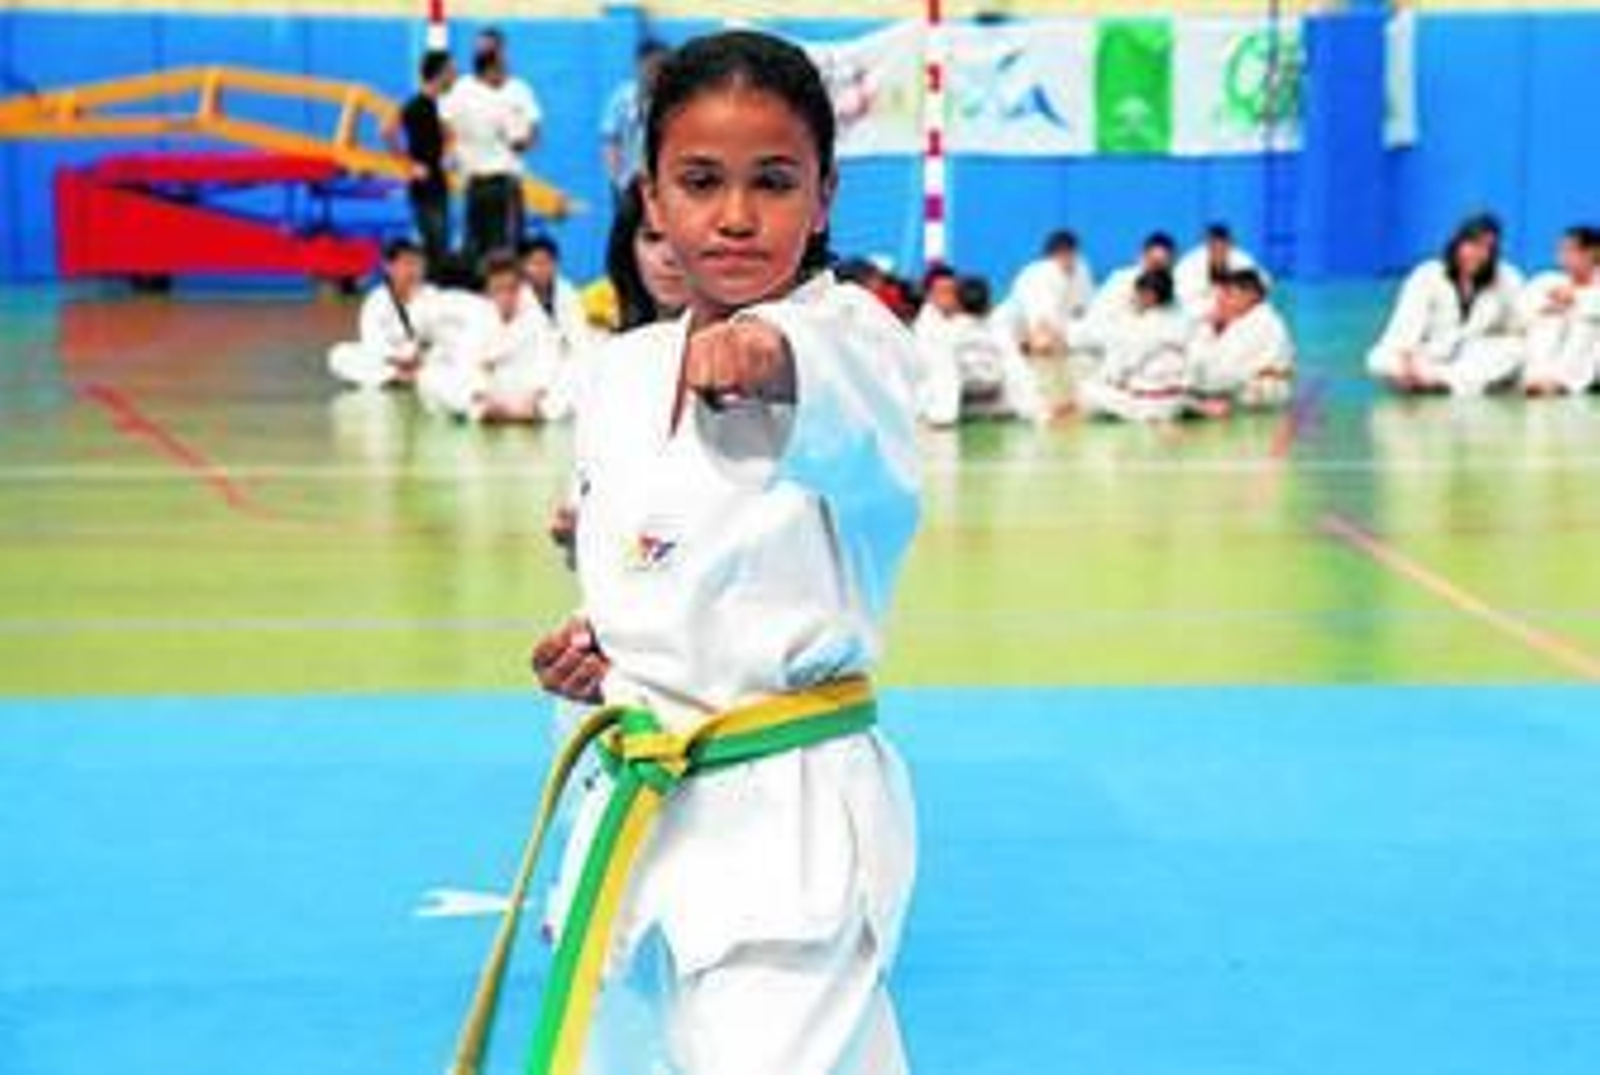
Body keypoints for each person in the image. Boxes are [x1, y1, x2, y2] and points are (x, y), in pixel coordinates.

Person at [508, 30, 920, 1075]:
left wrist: (771, 351)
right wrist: (591, 667)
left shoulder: (853, 340)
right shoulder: (617, 374)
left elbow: (837, 397)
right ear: (651, 197)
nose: (736, 215)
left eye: (772, 183)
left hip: (783, 825)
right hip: (635, 815)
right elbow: (658, 587)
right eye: (700, 182)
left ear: (823, 195)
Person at [1367, 216, 1526, 396]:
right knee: (1379, 359)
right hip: (1426, 356)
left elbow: (1522, 321)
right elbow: (1405, 322)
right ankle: (1425, 380)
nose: (1479, 254)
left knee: (1516, 350)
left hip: (1471, 356)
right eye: (1473, 244)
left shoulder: (1506, 277)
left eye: (1488, 248)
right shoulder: (1427, 274)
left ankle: (1442, 383)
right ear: (1457, 243)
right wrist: (1407, 362)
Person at [417, 249, 571, 423]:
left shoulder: (536, 317)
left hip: (528, 394)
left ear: (521, 287)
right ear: (488, 291)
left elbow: (549, 361)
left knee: (573, 372)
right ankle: (487, 411)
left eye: (511, 289)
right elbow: (467, 361)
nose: (506, 296)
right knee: (429, 377)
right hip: (491, 396)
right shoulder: (479, 317)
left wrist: (535, 397)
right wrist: (482, 395)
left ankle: (531, 412)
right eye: (498, 289)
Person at [442, 28, 542, 268]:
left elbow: (532, 132)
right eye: (480, 48)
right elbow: (444, 123)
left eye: (491, 49)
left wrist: (521, 141)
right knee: (475, 246)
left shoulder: (518, 89)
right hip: (476, 182)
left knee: (508, 247)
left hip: (505, 181)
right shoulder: (463, 89)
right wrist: (452, 151)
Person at [914, 271, 1044, 426]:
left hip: (965, 407)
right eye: (942, 291)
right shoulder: (1000, 333)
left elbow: (945, 376)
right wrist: (1036, 410)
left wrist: (941, 415)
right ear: (989, 304)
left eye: (950, 292)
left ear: (958, 303)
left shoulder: (947, 333)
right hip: (987, 405)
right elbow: (1018, 372)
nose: (947, 298)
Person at [1076, 268, 1194, 423]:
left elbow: (1123, 367)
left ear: (1149, 296)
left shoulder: (1144, 326)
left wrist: (1114, 382)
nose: (1134, 297)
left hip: (1152, 403)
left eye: (1138, 293)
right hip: (1179, 398)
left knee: (1085, 390)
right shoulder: (1182, 318)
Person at [326, 238, 436, 390]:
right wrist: (399, 359)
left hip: (425, 359)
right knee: (338, 355)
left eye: (419, 265)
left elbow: (443, 336)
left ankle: (403, 377)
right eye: (407, 264)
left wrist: (420, 353)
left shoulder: (433, 296)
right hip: (391, 360)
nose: (414, 271)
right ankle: (395, 377)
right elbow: (373, 342)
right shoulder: (377, 300)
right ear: (388, 267)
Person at [1186, 268, 1297, 417]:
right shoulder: (1241, 319)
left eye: (1230, 295)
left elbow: (1228, 372)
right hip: (1244, 391)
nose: (1223, 301)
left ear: (1251, 295)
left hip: (1260, 396)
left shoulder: (1262, 322)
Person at [385, 49, 455, 278]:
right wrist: (409, 166)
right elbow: (387, 131)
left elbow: (447, 135)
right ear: (440, 73)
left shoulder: (439, 106)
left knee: (441, 244)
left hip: (438, 181)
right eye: (451, 70)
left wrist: (447, 153)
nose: (454, 75)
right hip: (424, 186)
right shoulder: (415, 105)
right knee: (434, 246)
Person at [1520, 225, 1600, 397]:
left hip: (1591, 358)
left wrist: (1575, 299)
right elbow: (1524, 308)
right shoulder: (1548, 280)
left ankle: (1564, 382)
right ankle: (1539, 377)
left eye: (1570, 250)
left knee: (1586, 323)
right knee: (1548, 321)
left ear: (1593, 253)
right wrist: (1545, 308)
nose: (1563, 257)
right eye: (1560, 251)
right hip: (1549, 363)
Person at [1077, 230, 1178, 355]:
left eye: (1162, 263)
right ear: (1141, 257)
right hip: (1110, 344)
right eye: (1152, 261)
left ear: (1171, 263)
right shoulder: (1120, 280)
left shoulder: (1175, 288)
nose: (1156, 268)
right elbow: (1097, 321)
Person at [998, 229, 1096, 356]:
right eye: (1062, 253)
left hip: (1052, 334)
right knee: (1045, 343)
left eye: (1071, 252)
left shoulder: (1082, 269)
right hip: (1011, 336)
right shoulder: (1038, 276)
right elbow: (1041, 329)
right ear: (1052, 256)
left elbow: (1086, 311)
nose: (1068, 258)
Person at [601, 38, 671, 202]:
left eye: (663, 68)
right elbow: (610, 142)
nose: (657, 73)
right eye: (652, 67)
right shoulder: (621, 99)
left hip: (662, 185)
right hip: (628, 184)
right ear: (639, 65)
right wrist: (617, 180)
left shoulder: (672, 99)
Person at [1175, 223, 1261, 319]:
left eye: (1223, 248)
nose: (1219, 252)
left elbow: (1257, 290)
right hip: (1199, 315)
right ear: (1206, 245)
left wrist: (1234, 309)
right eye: (1213, 248)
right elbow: (1184, 299)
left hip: (1236, 315)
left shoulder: (1244, 262)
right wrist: (1211, 312)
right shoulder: (1188, 265)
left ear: (1230, 245)